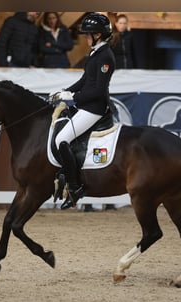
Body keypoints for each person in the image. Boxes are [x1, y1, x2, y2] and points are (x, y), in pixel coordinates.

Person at [51, 13, 116, 210]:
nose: (86, 38)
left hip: (94, 108)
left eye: (88, 35)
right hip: (85, 105)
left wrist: (72, 98)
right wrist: (65, 91)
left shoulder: (106, 57)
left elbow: (97, 91)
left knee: (61, 140)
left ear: (98, 34)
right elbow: (85, 81)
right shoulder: (95, 52)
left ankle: (75, 187)